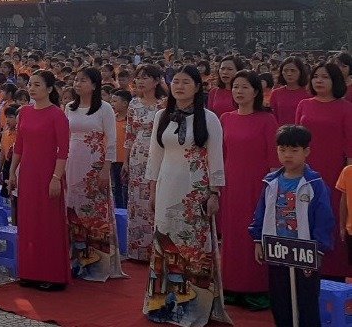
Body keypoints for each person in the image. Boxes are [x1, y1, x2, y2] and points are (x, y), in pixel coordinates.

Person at [143, 65, 229, 326]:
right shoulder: (162, 116)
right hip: (166, 185)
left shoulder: (210, 119)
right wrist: (152, 190)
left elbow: (216, 158)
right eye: (176, 82)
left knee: (193, 245)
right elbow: (154, 156)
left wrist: (214, 192)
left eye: (186, 82)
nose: (179, 87)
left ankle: (195, 307)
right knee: (163, 241)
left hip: (195, 190)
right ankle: (160, 303)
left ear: (197, 87)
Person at [250, 125, 335, 327]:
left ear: (306, 151)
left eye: (294, 150)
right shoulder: (270, 182)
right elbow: (260, 212)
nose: (287, 155)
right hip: (277, 250)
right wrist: (258, 240)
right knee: (280, 300)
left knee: (306, 301)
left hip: (305, 252)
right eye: (282, 150)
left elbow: (324, 218)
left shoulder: (314, 183)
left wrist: (319, 249)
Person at [219, 70, 278, 310]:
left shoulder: (267, 120)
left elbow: (274, 159)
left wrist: (273, 189)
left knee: (254, 234)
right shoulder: (226, 118)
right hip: (231, 185)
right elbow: (221, 154)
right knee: (232, 234)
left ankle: (257, 288)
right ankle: (231, 286)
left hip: (258, 185)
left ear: (255, 91)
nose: (239, 91)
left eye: (244, 87)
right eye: (235, 87)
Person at [8, 70, 70, 291]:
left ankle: (52, 275)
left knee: (48, 223)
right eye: (30, 85)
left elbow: (63, 150)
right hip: (27, 174)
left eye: (37, 85)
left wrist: (56, 177)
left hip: (48, 174)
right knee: (28, 222)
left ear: (49, 89)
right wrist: (12, 172)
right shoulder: (24, 112)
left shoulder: (57, 115)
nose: (32, 89)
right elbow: (19, 146)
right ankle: (29, 272)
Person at [64, 68, 125, 282]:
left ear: (94, 84)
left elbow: (111, 140)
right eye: (76, 79)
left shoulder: (104, 108)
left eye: (83, 80)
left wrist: (106, 168)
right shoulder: (69, 107)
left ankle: (98, 264)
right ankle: (76, 260)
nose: (78, 83)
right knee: (73, 209)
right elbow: (65, 137)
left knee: (95, 213)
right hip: (72, 162)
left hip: (95, 164)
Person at [294, 62, 352, 279]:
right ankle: (305, 267)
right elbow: (295, 141)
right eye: (316, 76)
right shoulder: (304, 105)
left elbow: (350, 148)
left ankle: (334, 272)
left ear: (335, 81)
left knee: (333, 218)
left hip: (335, 174)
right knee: (304, 216)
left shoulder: (346, 108)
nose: (319, 80)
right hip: (306, 171)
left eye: (325, 77)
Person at [126, 63, 166, 262]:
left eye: (145, 77)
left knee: (154, 197)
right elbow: (129, 134)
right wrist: (126, 161)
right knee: (136, 201)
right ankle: (137, 250)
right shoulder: (134, 104)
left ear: (156, 81)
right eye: (138, 77)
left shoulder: (163, 104)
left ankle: (156, 249)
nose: (140, 81)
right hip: (137, 155)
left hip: (159, 152)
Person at [269, 56, 309, 128]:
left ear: (300, 72)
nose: (289, 74)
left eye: (293, 70)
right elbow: (273, 117)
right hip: (281, 132)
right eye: (285, 70)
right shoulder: (276, 93)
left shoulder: (309, 93)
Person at [110, 89, 130, 210]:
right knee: (116, 186)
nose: (112, 104)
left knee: (126, 187)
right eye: (112, 101)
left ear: (125, 103)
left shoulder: (130, 121)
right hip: (114, 159)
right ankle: (118, 210)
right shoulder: (112, 119)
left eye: (115, 101)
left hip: (126, 160)